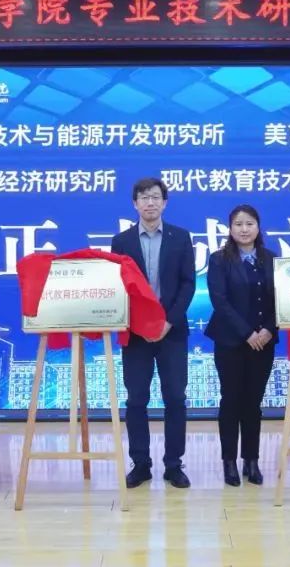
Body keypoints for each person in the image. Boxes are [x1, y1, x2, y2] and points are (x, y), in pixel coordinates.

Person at [111, 178, 195, 489]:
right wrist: (142, 325)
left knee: (175, 398)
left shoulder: (181, 237)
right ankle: (141, 464)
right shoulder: (121, 241)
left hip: (172, 332)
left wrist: (168, 322)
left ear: (165, 203)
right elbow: (120, 287)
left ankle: (173, 464)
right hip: (137, 335)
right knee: (136, 399)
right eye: (144, 198)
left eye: (156, 197)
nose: (150, 203)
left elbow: (188, 284)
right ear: (135, 204)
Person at [204, 205, 277, 487]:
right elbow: (220, 302)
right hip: (231, 342)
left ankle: (251, 460)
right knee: (231, 400)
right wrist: (248, 333)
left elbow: (281, 300)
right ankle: (229, 462)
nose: (244, 229)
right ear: (230, 229)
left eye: (249, 223)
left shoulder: (272, 259)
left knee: (253, 403)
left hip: (264, 342)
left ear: (258, 227)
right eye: (238, 224)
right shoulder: (219, 259)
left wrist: (268, 329)